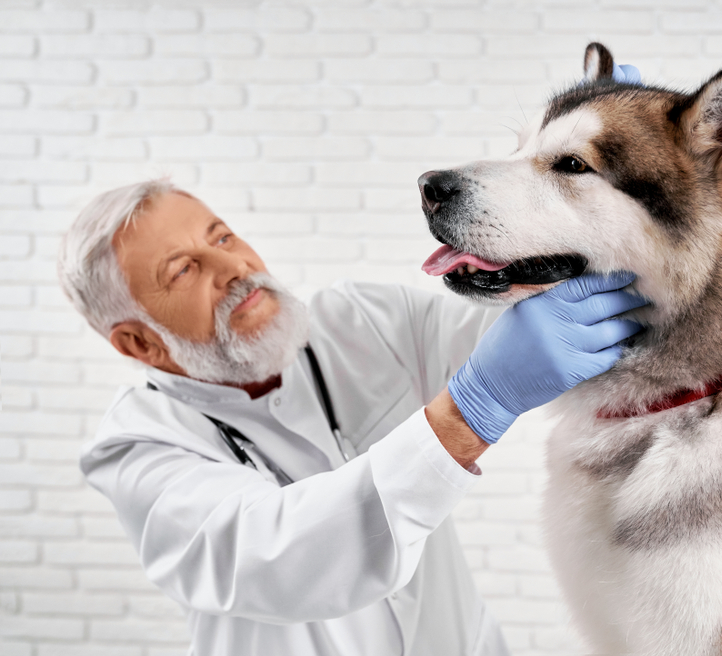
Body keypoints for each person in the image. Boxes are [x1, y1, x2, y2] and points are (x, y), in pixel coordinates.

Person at [57, 178, 646, 655]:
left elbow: (523, 339)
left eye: (223, 235)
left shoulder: (360, 320)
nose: (231, 265)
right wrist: (473, 409)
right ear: (139, 343)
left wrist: (608, 195)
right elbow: (278, 556)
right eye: (183, 269)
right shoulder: (138, 450)